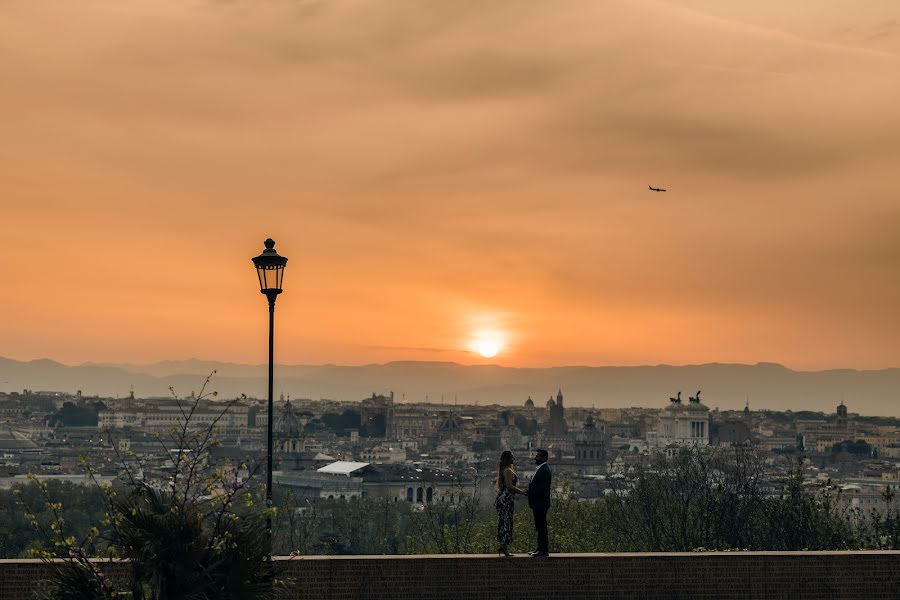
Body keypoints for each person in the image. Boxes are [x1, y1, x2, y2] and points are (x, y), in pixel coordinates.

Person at [495, 450, 527, 556]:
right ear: (508, 459)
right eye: (512, 457)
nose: (514, 459)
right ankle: (504, 547)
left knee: (505, 521)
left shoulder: (506, 469)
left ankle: (503, 546)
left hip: (505, 498)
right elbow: (509, 486)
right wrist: (522, 492)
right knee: (506, 521)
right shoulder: (508, 470)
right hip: (506, 498)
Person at [526, 448, 551, 556]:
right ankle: (539, 548)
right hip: (538, 503)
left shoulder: (544, 470)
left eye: (538, 456)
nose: (535, 458)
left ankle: (543, 550)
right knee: (539, 527)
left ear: (544, 458)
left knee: (542, 527)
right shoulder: (541, 469)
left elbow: (541, 488)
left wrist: (530, 492)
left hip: (540, 503)